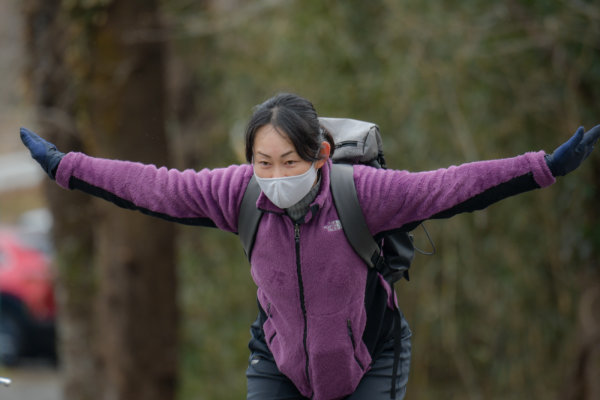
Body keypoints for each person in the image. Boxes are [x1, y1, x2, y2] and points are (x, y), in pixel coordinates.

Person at [20, 93, 600, 400]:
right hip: (279, 363)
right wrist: (65, 166)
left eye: (289, 162)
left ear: (320, 155)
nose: (274, 175)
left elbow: (448, 186)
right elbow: (153, 185)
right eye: (262, 162)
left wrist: (542, 168)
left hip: (369, 358)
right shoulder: (235, 193)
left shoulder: (362, 194)